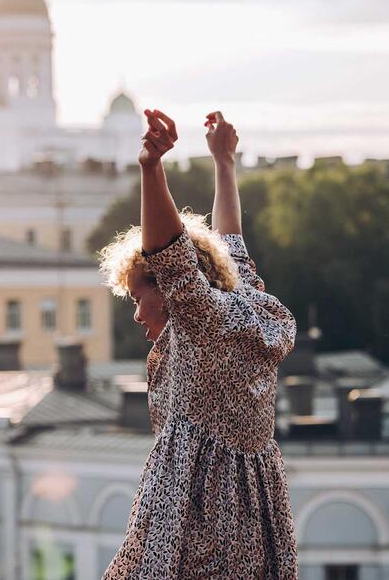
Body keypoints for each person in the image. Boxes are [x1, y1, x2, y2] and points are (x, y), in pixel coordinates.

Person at [99, 110, 298, 579]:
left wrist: (151, 167)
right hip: (253, 517)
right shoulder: (243, 302)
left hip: (196, 523)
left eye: (138, 295)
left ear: (168, 288)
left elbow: (168, 251)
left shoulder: (201, 322)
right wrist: (224, 161)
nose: (136, 313)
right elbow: (231, 240)